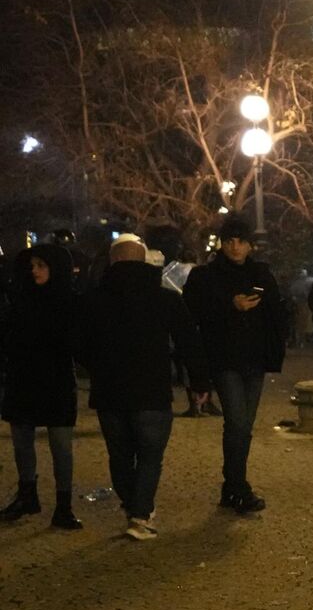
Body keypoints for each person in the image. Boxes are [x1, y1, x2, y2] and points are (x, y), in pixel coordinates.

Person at [76, 235, 210, 541]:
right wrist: (200, 382)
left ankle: (133, 506)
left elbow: (78, 343)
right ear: (144, 260)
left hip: (110, 391)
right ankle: (140, 513)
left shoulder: (93, 300)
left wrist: (96, 366)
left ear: (112, 262)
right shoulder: (164, 298)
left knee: (120, 455)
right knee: (150, 456)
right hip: (152, 389)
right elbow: (189, 340)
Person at [182, 217, 287, 513]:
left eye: (240, 241)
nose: (235, 246)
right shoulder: (206, 276)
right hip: (224, 358)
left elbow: (276, 314)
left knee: (244, 425)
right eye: (229, 241)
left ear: (249, 244)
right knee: (238, 422)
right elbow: (194, 314)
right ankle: (237, 486)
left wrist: (275, 347)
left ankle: (233, 486)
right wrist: (231, 306)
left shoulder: (261, 274)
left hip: (254, 359)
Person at [1, 244, 82, 530]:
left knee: (61, 446)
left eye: (41, 265)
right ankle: (27, 494)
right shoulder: (21, 299)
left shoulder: (68, 302)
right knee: (22, 441)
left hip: (55, 380)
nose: (34, 270)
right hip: (24, 378)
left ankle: (64, 505)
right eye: (32, 265)